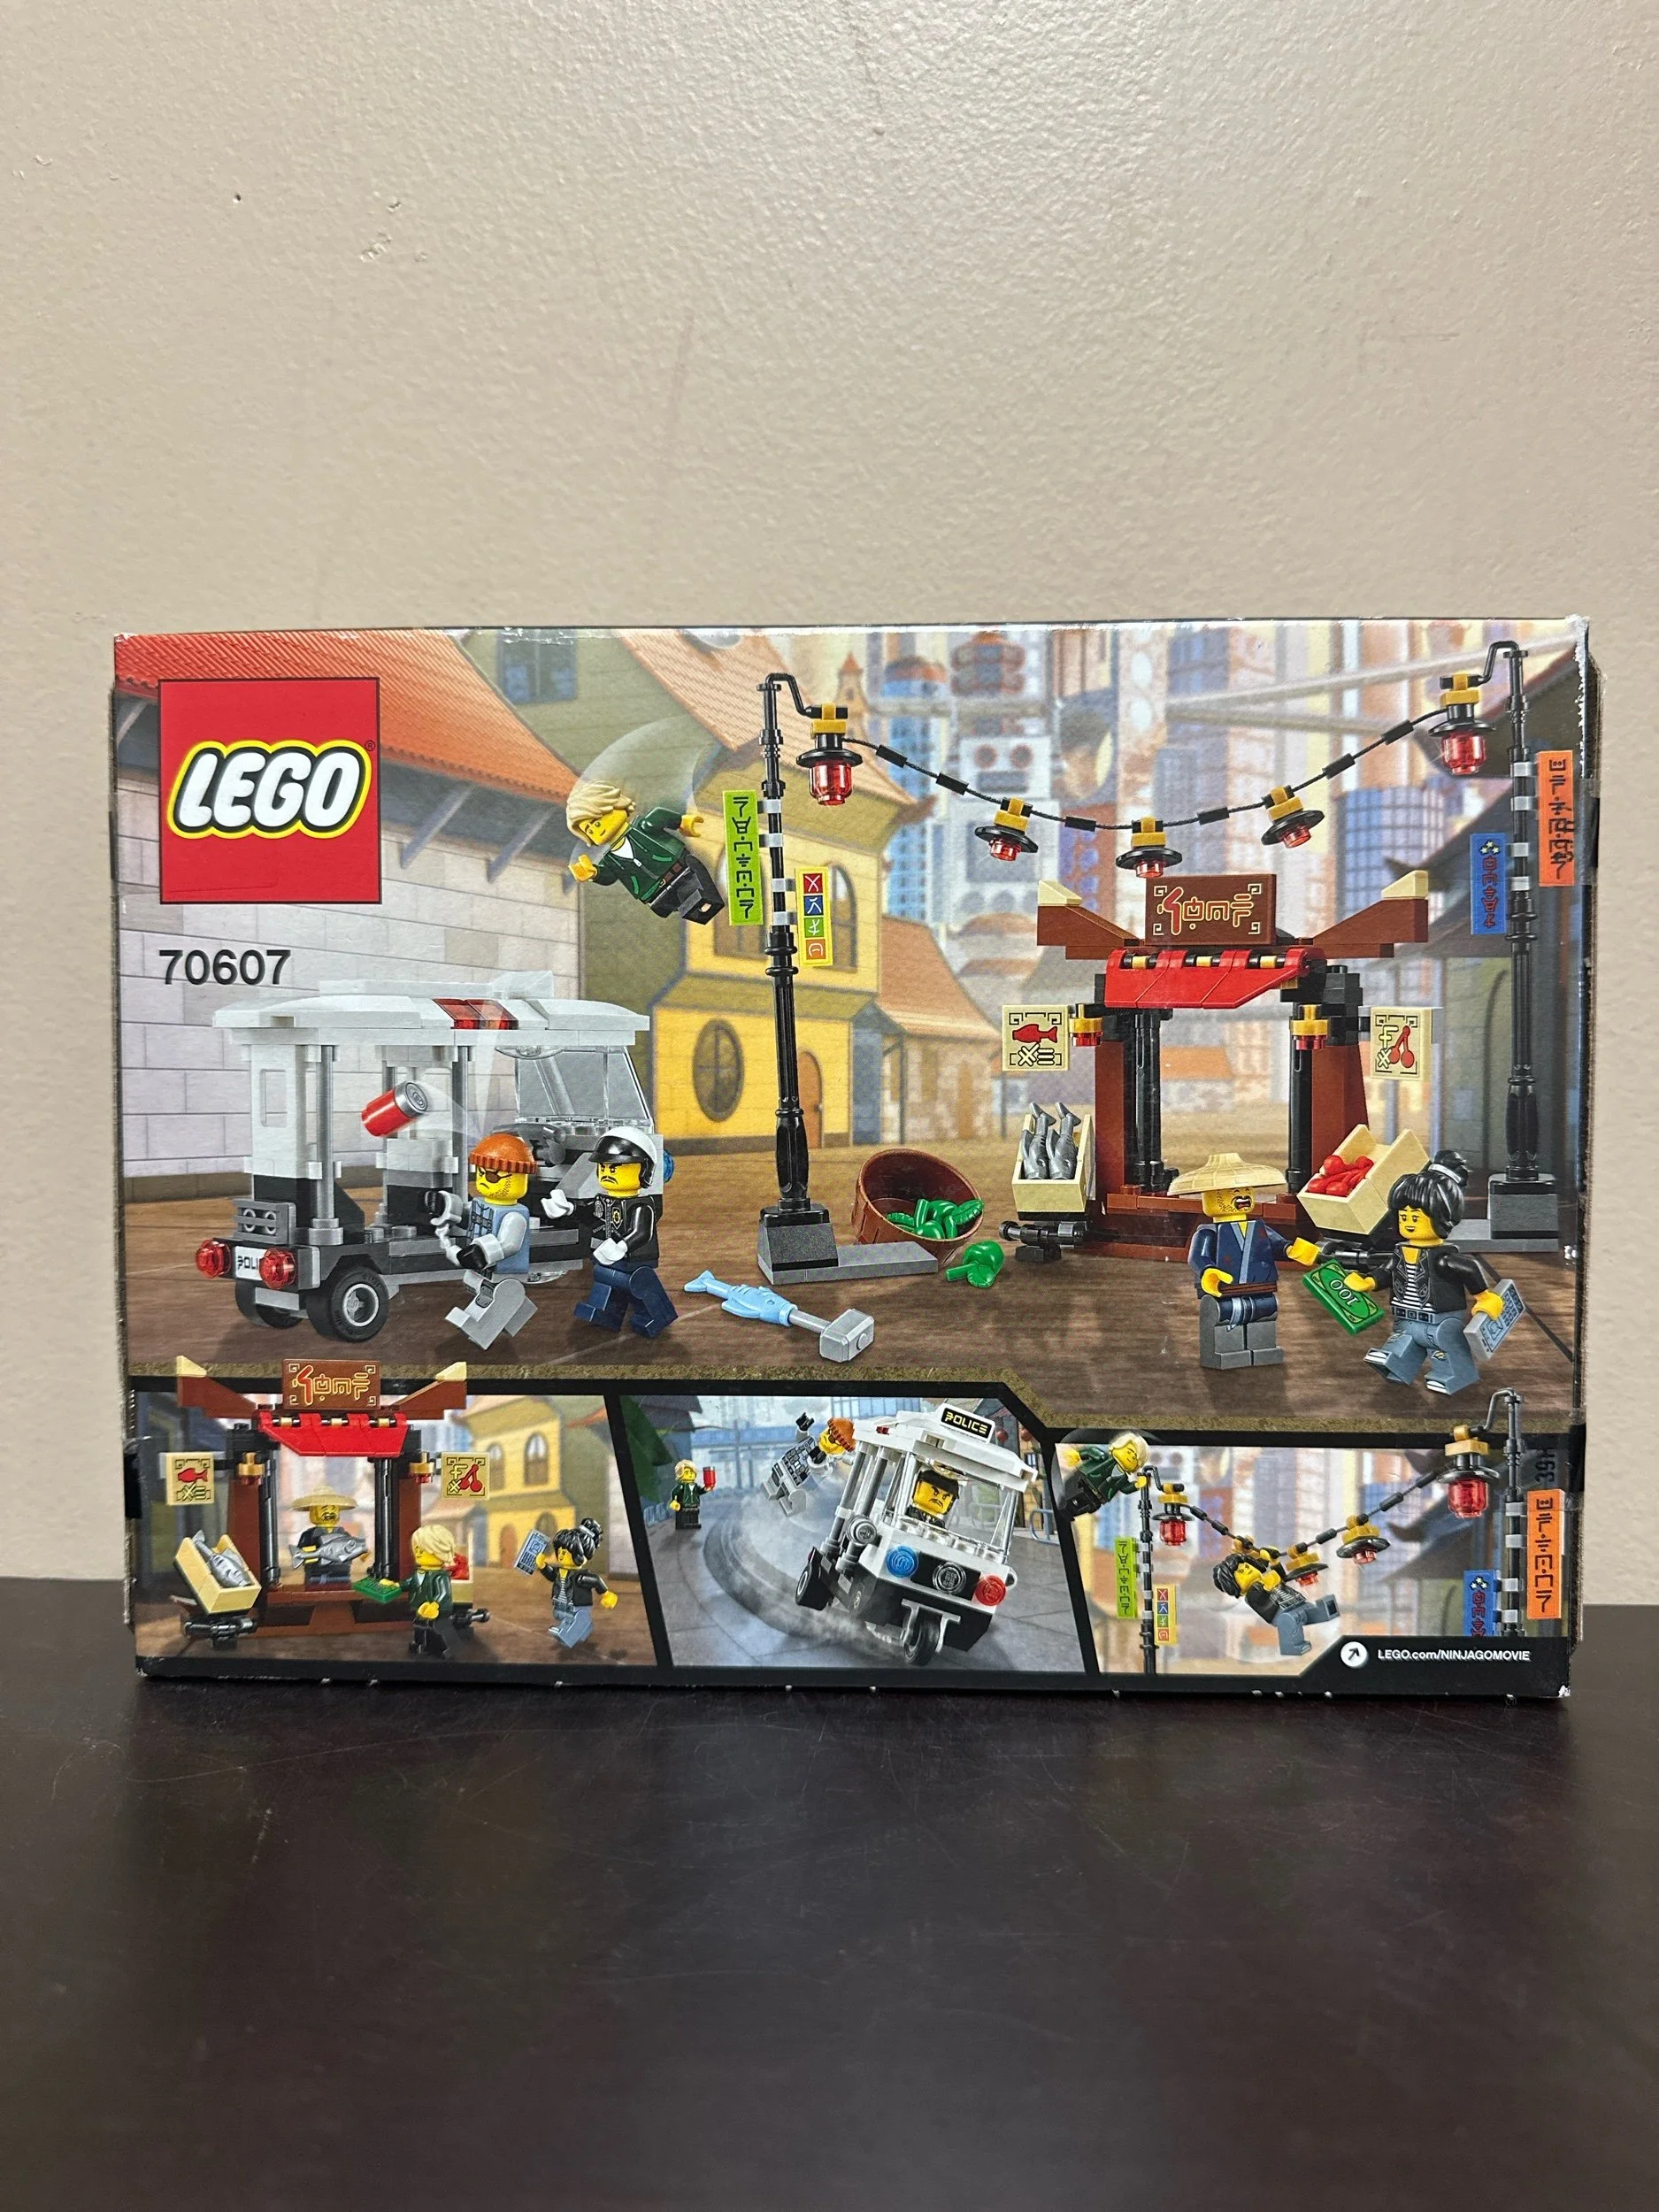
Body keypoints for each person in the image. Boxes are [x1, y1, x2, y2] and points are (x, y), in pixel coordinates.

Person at [1344, 1152, 1507, 1397]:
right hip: (1406, 1316)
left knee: (1443, 1348)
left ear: (1442, 1218)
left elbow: (1469, 1268)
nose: (1408, 1222)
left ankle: (1456, 1374)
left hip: (1441, 1319)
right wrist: (1369, 1281)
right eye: (1403, 1216)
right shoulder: (1401, 1252)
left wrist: (1484, 1296)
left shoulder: (1443, 1257)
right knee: (1402, 1342)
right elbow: (1388, 1271)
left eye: (1416, 1217)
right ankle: (1397, 1366)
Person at [1165, 1153, 1321, 1370]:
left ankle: (1263, 1348)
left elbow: (1277, 1245)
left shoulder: (1258, 1228)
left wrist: (1291, 1250)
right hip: (1225, 1289)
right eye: (1235, 1193)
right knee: (1225, 1316)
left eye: (1247, 1191)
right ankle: (1225, 1352)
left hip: (1261, 1287)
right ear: (1212, 1198)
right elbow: (1197, 1256)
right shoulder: (1208, 1232)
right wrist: (1208, 1271)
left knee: (1264, 1314)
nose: (1243, 1197)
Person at [547, 1126, 676, 1339]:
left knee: (637, 1282)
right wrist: (568, 1209)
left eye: (614, 1168)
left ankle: (660, 1314)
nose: (607, 1173)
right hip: (605, 1256)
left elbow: (641, 1232)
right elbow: (589, 1214)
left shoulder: (641, 1205)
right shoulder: (603, 1200)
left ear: (643, 1170)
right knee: (605, 1277)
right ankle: (606, 1312)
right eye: (603, 1168)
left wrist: (621, 1247)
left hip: (633, 1257)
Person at [565, 773, 723, 923]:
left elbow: (659, 817)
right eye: (589, 831)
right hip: (655, 895)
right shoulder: (610, 861)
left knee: (701, 895)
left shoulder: (642, 827)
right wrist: (595, 873)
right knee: (687, 908)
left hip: (681, 868)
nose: (596, 830)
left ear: (616, 805)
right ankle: (696, 910)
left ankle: (702, 904)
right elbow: (609, 876)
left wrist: (682, 822)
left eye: (597, 822)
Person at [435, 1131, 539, 1348]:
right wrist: (446, 1207)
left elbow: (509, 1244)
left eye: (492, 1176)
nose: (484, 1180)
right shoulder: (482, 1204)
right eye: (481, 1174)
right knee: (481, 1286)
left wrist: (480, 1253)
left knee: (500, 1293)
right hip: (484, 1268)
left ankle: (481, 1330)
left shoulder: (514, 1215)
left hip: (503, 1269)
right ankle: (515, 1317)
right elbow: (467, 1218)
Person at [536, 1518, 619, 1646]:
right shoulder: (560, 1571)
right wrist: (543, 1566)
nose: (561, 1555)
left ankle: (569, 1636)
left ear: (580, 1554)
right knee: (568, 1619)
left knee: (579, 1619)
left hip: (579, 1607)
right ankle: (575, 1631)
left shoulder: (581, 1576)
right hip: (562, 1605)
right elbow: (552, 1576)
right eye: (560, 1551)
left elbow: (596, 1581)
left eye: (565, 1552)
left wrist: (606, 1594)